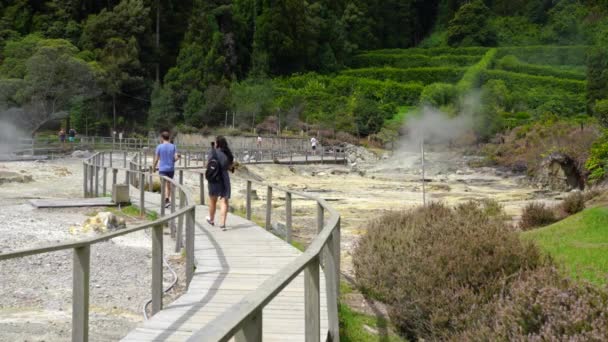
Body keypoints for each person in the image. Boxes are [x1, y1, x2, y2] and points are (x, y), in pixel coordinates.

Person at [207, 136, 234, 231]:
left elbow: (208, 164)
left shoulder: (212, 152)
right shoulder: (227, 154)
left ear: (217, 143)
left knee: (212, 200)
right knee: (224, 201)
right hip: (224, 179)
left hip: (214, 178)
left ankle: (211, 220)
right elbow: (230, 167)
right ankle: (222, 224)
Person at [153, 130, 180, 208]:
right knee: (168, 185)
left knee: (164, 185)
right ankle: (167, 199)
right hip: (171, 169)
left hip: (162, 169)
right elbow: (175, 158)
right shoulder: (173, 146)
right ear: (169, 138)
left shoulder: (159, 146)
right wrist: (177, 158)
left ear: (162, 138)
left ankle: (166, 200)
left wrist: (154, 168)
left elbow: (156, 159)